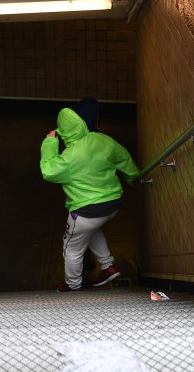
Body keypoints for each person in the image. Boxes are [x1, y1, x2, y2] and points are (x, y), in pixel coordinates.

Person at [40, 105, 139, 292]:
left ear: (63, 132)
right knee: (91, 230)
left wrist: (50, 144)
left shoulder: (69, 157)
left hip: (86, 212)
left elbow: (48, 171)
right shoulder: (102, 139)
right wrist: (133, 177)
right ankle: (108, 266)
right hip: (112, 204)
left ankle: (72, 287)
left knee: (71, 249)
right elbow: (123, 156)